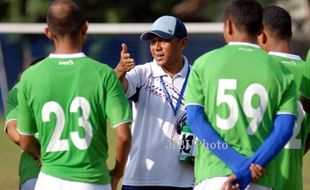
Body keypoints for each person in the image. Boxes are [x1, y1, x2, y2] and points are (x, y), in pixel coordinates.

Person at [17, 1, 132, 190]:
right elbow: (123, 136)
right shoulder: (104, 74)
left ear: (48, 32)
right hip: (92, 181)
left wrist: (44, 158)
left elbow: (25, 139)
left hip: (48, 181)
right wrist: (117, 173)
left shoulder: (30, 76)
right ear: (85, 27)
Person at [185, 0, 297, 189]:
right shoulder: (283, 73)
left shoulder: (203, 64)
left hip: (213, 176)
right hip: (258, 177)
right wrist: (249, 169)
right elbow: (284, 129)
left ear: (228, 26)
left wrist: (238, 165)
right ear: (261, 29)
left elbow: (195, 120)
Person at [115, 15, 194, 189]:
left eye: (163, 41)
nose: (156, 48)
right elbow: (116, 87)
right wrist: (120, 70)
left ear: (183, 43)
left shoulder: (197, 78)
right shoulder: (142, 73)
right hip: (140, 178)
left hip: (184, 181)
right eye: (153, 42)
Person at [257, 5, 310, 190]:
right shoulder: (306, 71)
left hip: (260, 181)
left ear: (261, 35)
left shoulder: (257, 71)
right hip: (293, 181)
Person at [4, 58, 45, 190]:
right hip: (74, 172)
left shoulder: (20, 89)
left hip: (34, 172)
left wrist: (39, 154)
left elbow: (14, 132)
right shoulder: (67, 84)